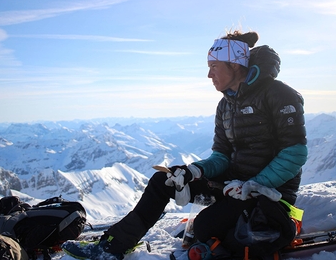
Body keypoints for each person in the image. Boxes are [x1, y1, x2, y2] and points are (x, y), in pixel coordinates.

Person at [70, 30, 307, 259]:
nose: (209, 75)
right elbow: (222, 156)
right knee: (163, 181)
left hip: (270, 195)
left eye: (214, 66)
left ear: (234, 64)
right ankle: (114, 246)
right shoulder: (225, 106)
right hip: (231, 187)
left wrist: (255, 184)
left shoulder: (279, 94)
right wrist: (193, 171)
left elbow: (295, 152)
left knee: (203, 229)